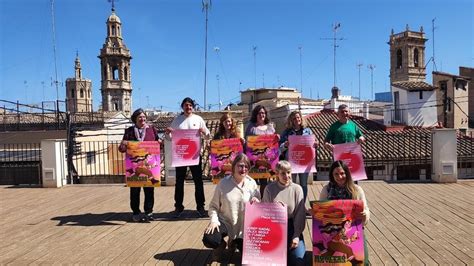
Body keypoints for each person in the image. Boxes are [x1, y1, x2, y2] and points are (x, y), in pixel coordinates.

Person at [203, 153, 260, 261]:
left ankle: (234, 241)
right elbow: (213, 206)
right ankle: (220, 245)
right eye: (240, 166)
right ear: (233, 166)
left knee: (248, 255)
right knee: (210, 239)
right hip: (225, 221)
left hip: (243, 227)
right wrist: (214, 221)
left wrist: (257, 201)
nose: (243, 169)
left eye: (246, 166)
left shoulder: (252, 183)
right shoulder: (223, 183)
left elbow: (258, 206)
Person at [318, 160, 370, 265]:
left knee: (363, 260)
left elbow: (366, 210)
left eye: (342, 173)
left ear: (347, 173)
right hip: (332, 232)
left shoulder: (357, 190)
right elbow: (320, 211)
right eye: (336, 174)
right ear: (332, 175)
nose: (340, 177)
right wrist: (316, 211)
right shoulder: (326, 190)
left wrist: (364, 214)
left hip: (354, 229)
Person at [166, 97, 210, 218]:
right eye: (186, 105)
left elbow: (207, 136)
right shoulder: (177, 120)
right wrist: (167, 133)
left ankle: (200, 206)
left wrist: (204, 132)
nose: (188, 107)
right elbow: (170, 138)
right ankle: (178, 207)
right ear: (182, 107)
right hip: (181, 155)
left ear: (193, 107)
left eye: (190, 105)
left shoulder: (198, 119)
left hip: (195, 155)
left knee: (198, 181)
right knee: (179, 182)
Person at [119, 108, 160, 222]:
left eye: (144, 117)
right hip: (134, 165)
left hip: (148, 163)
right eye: (140, 117)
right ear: (135, 119)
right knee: (135, 190)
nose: (142, 119)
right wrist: (123, 144)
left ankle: (149, 211)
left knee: (149, 189)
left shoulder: (152, 130)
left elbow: (158, 146)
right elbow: (121, 149)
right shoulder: (129, 131)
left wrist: (160, 143)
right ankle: (136, 212)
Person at [262, 160, 306, 266]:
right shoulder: (269, 189)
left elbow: (300, 214)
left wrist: (296, 235)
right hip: (274, 227)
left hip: (292, 225)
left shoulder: (297, 189)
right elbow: (264, 211)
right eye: (283, 173)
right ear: (277, 174)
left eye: (288, 172)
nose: (286, 176)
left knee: (298, 260)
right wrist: (274, 208)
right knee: (272, 261)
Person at [279, 110, 318, 205]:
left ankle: (302, 205)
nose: (297, 120)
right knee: (290, 184)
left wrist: (316, 144)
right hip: (291, 163)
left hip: (305, 163)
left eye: (298, 117)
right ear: (291, 120)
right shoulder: (286, 132)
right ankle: (291, 205)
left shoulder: (308, 131)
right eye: (294, 118)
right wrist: (285, 145)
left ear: (301, 119)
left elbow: (313, 144)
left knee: (304, 185)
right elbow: (279, 147)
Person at [244, 105, 277, 198]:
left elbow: (273, 143)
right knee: (252, 182)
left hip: (267, 159)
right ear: (256, 115)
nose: (261, 115)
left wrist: (277, 138)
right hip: (253, 159)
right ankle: (252, 202)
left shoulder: (270, 127)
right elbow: (247, 142)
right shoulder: (251, 127)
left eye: (263, 113)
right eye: (259, 113)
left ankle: (263, 201)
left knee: (265, 182)